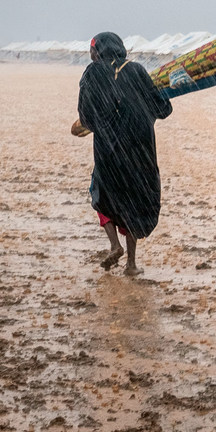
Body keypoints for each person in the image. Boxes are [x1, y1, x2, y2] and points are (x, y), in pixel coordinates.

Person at [73, 32, 172, 275]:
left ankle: (114, 245)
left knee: (101, 192)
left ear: (98, 51)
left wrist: (105, 125)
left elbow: (86, 115)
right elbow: (161, 108)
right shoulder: (136, 70)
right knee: (134, 199)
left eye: (92, 50)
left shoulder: (93, 73)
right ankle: (131, 264)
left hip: (109, 150)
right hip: (140, 149)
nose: (91, 54)